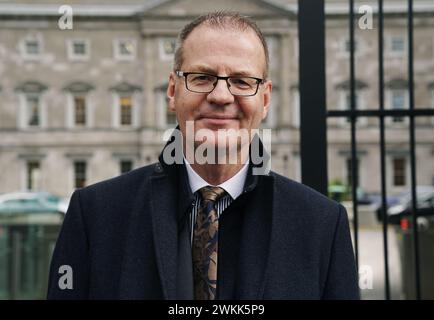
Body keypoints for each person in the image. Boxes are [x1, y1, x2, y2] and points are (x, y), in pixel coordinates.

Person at [47, 11, 359, 300]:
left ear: (264, 100)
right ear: (173, 91)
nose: (221, 96)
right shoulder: (95, 216)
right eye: (202, 77)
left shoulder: (321, 225)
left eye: (241, 81)